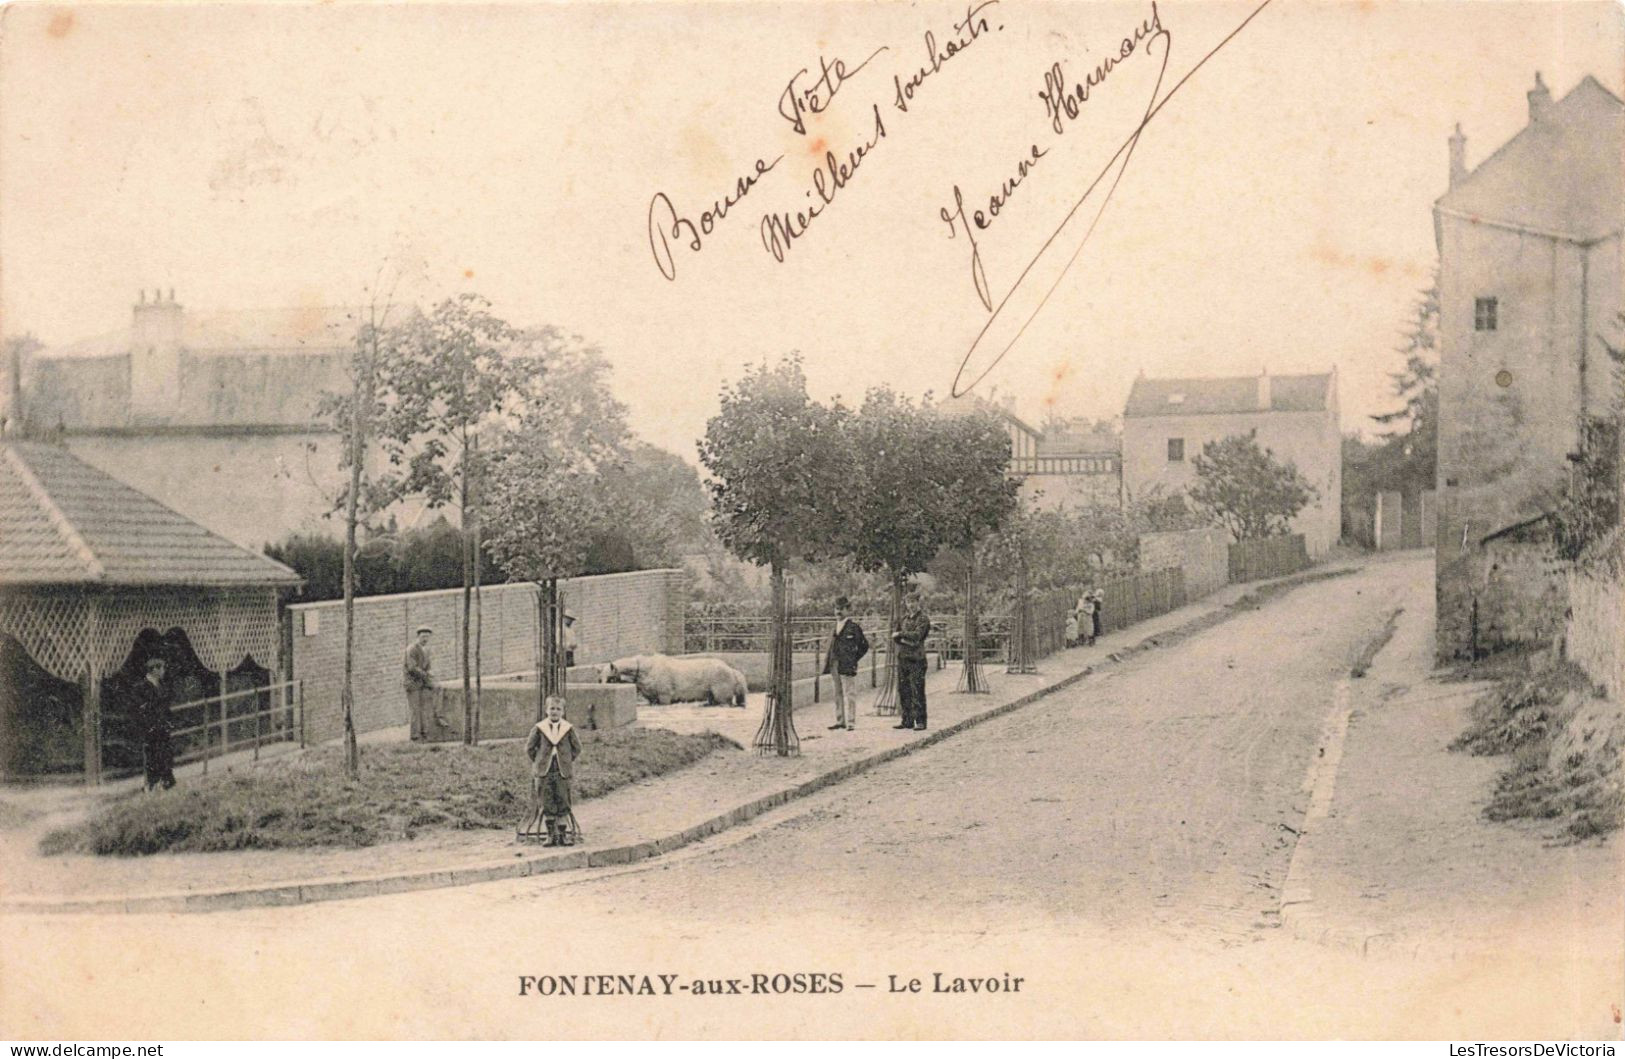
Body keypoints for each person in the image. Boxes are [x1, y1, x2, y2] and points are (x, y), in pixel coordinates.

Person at [526, 695, 582, 846]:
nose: (554, 712)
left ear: (563, 712)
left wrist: (566, 760)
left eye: (558, 709)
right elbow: (530, 748)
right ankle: (551, 835)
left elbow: (577, 748)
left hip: (562, 771)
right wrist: (539, 762)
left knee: (563, 801)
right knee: (547, 801)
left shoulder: (568, 729)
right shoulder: (539, 728)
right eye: (552, 709)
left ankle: (563, 835)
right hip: (545, 771)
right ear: (546, 710)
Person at [823, 596, 869, 732]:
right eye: (836, 609)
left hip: (847, 664)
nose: (838, 612)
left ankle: (851, 721)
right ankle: (840, 720)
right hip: (835, 664)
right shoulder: (834, 627)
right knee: (837, 692)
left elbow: (864, 646)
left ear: (848, 610)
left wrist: (854, 659)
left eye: (841, 609)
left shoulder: (853, 628)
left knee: (850, 693)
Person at [133, 657, 176, 791]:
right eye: (161, 668)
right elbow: (140, 709)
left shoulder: (161, 685)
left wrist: (168, 722)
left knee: (165, 753)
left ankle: (167, 781)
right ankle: (153, 783)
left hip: (162, 725)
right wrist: (148, 725)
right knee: (153, 755)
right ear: (154, 670)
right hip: (151, 727)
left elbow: (165, 706)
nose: (163, 671)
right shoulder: (141, 687)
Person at [892, 587, 931, 732]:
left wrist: (902, 634)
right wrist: (904, 638)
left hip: (917, 659)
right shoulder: (903, 619)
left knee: (917, 690)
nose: (911, 605)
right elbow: (895, 637)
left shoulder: (923, 619)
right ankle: (907, 720)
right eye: (908, 602)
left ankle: (920, 721)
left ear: (918, 602)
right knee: (904, 690)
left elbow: (917, 636)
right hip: (903, 658)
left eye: (913, 602)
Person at [404, 626, 448, 741]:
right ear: (418, 637)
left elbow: (427, 665)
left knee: (438, 688)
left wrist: (429, 672)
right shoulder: (411, 649)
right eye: (423, 636)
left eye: (427, 637)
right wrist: (426, 674)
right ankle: (415, 736)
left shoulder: (426, 650)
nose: (425, 639)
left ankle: (438, 717)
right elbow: (411, 668)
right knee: (415, 710)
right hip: (412, 683)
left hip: (422, 681)